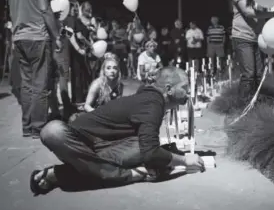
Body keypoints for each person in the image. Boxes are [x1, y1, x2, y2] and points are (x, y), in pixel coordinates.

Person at [30, 66, 205, 196]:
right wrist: (184, 160)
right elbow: (151, 153)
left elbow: (147, 148)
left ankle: (61, 174)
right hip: (77, 140)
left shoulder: (150, 98)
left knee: (142, 147)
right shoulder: (152, 103)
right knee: (52, 131)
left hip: (107, 149)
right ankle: (131, 174)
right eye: (185, 87)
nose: (188, 93)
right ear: (168, 89)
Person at [4, 0, 62, 138]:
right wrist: (56, 35)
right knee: (40, 83)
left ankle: (27, 126)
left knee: (27, 84)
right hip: (37, 36)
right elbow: (44, 8)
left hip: (19, 38)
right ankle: (38, 127)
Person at [230, 0, 274, 99]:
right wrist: (272, 14)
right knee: (249, 75)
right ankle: (241, 106)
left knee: (258, 75)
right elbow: (248, 12)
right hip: (242, 36)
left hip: (257, 37)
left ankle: (254, 104)